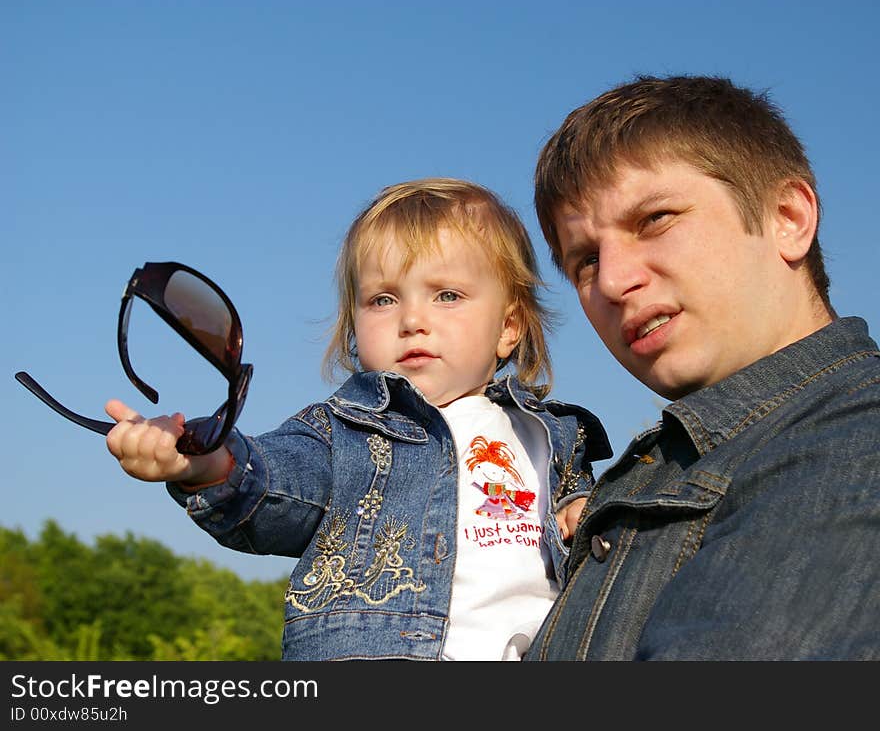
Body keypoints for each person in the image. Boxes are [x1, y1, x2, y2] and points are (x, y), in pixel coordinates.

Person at [104, 177, 611, 661]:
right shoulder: (342, 433)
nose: (413, 320)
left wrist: (583, 509)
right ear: (353, 327)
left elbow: (582, 526)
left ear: (508, 327)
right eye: (383, 300)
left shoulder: (555, 437)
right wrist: (206, 461)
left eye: (447, 295)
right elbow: (272, 483)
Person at [523, 74, 880, 660]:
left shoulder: (852, 437)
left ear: (787, 217)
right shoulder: (671, 465)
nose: (612, 282)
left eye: (655, 219)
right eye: (585, 260)